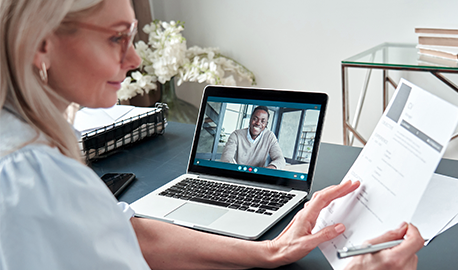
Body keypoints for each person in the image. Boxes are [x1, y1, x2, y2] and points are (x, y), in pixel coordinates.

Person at [0, 0, 424, 269]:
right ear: (41, 42)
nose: (132, 59)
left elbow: (128, 231)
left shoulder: (25, 147)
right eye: (116, 38)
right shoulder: (34, 180)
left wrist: (269, 251)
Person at [221, 106, 286, 169]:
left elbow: (281, 160)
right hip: (236, 174)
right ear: (250, 120)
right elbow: (226, 158)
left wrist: (271, 168)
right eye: (255, 119)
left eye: (263, 121)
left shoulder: (270, 137)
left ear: (266, 124)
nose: (258, 123)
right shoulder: (236, 135)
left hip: (256, 177)